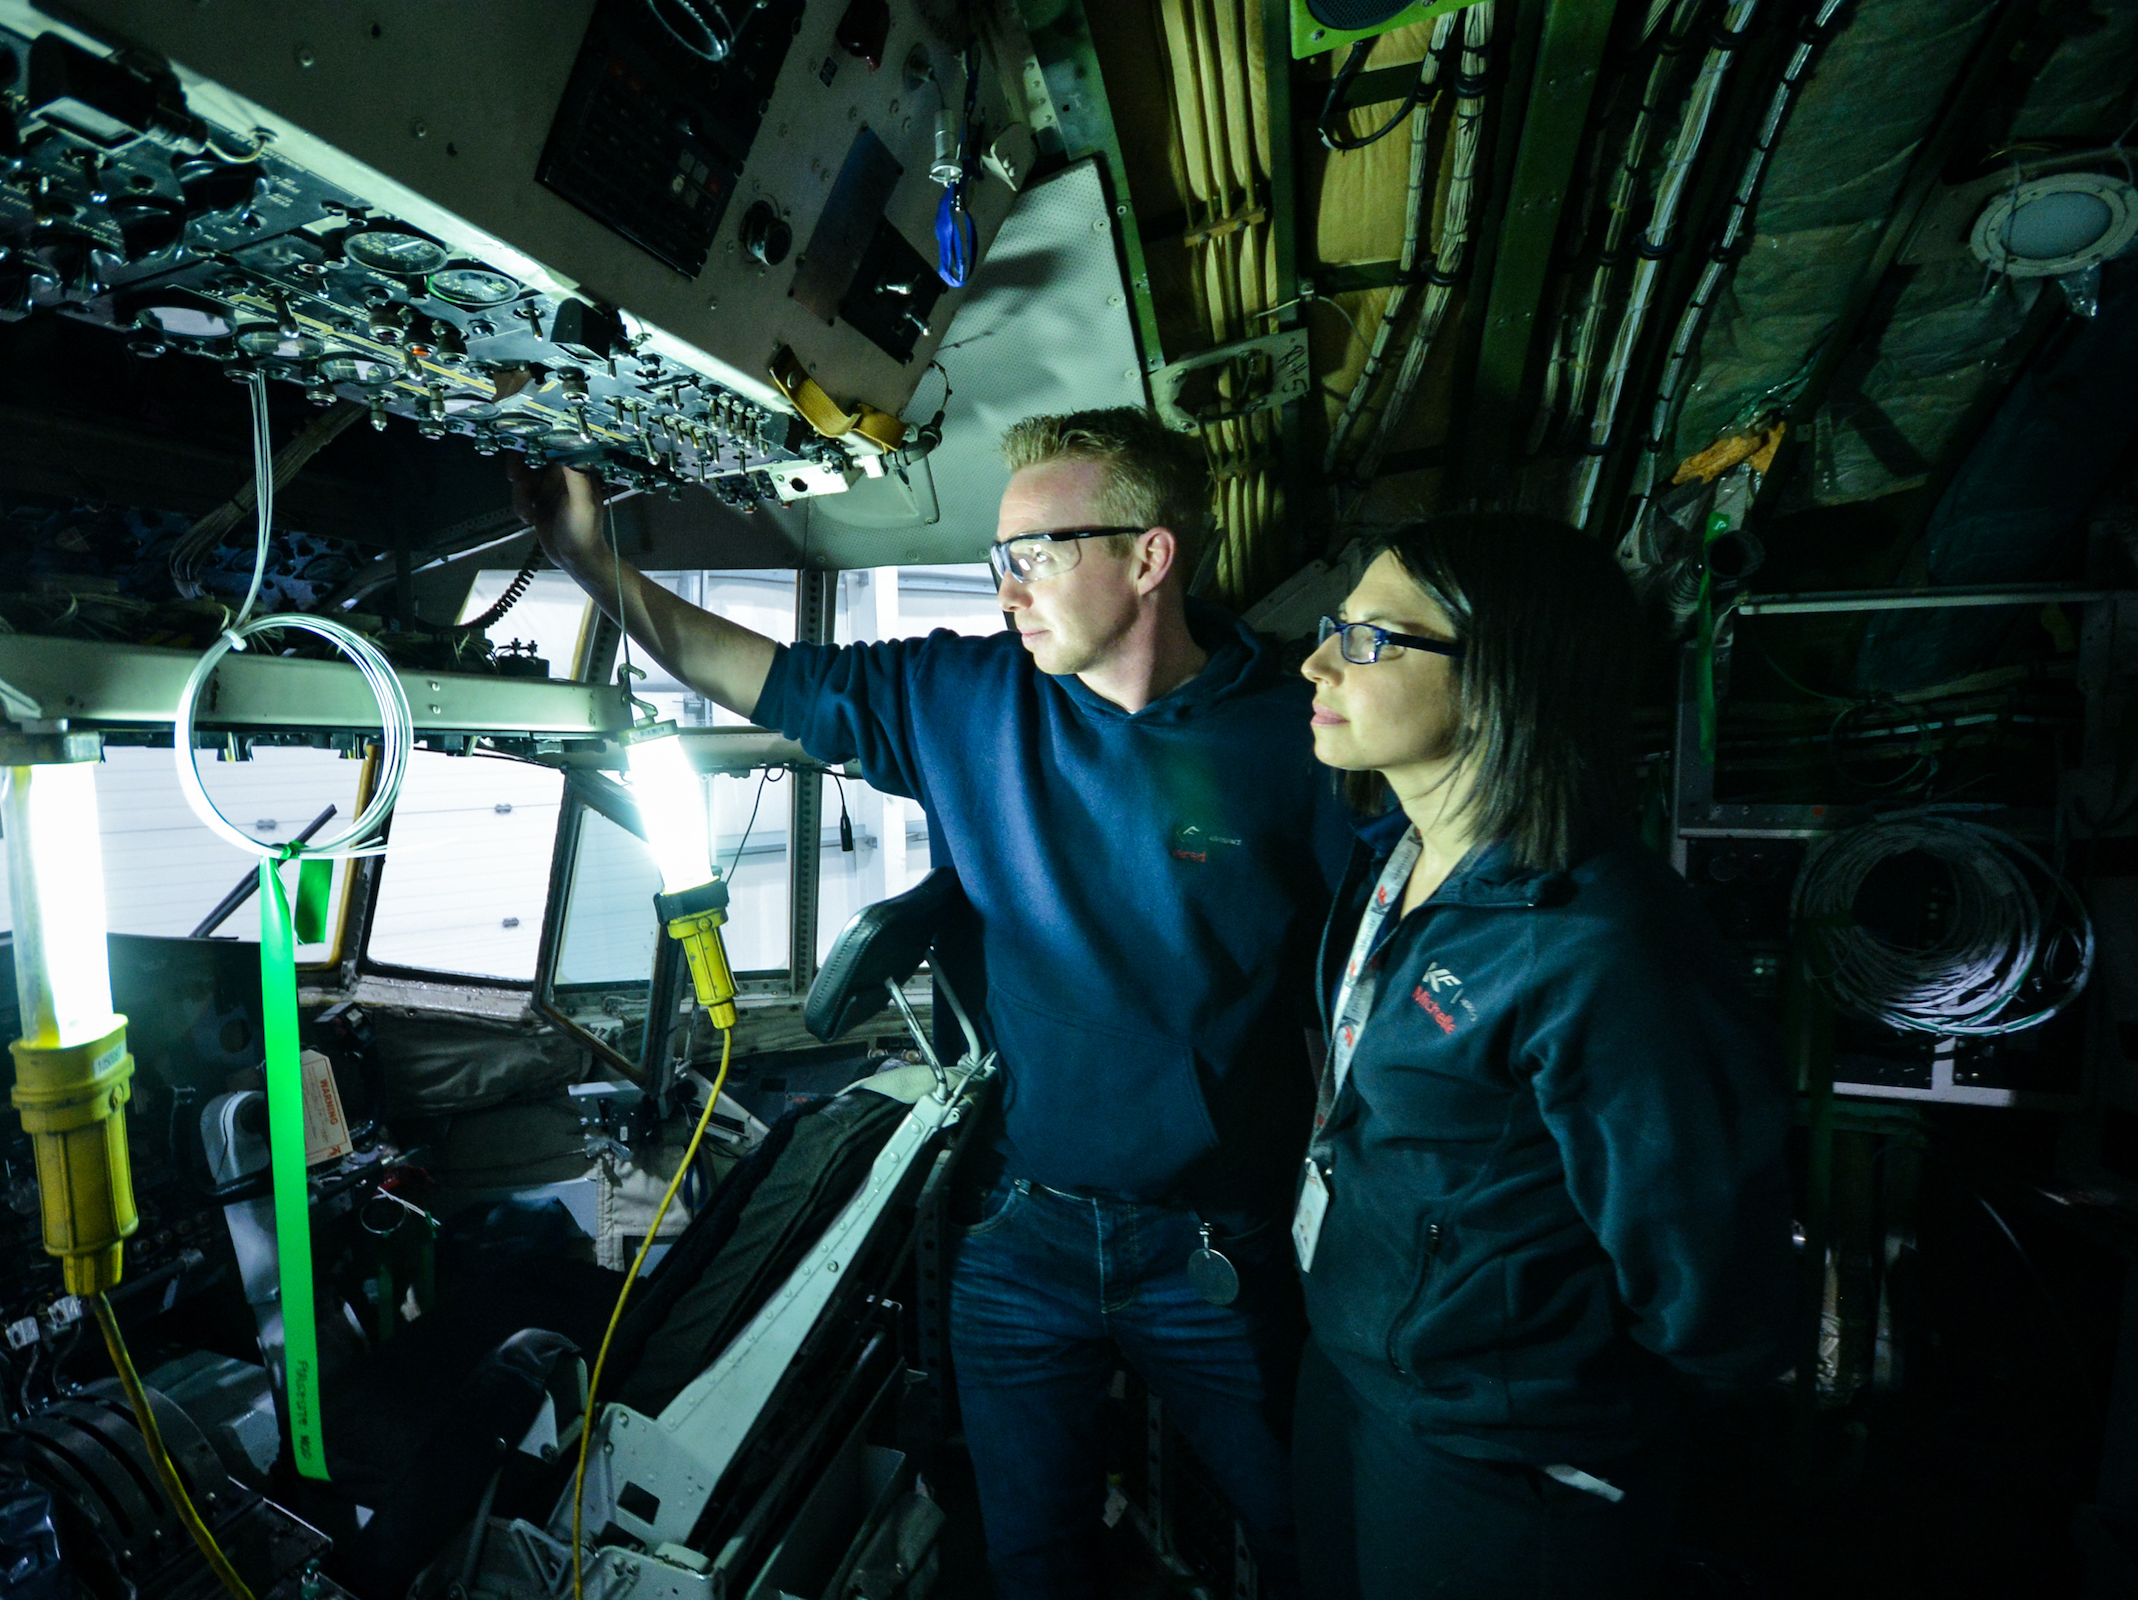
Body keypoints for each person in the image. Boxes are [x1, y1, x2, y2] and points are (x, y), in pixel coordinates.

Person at [511, 409, 1359, 1599]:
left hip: (1214, 1245)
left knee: (1315, 1546)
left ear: (1149, 556)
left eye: (1035, 554)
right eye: (995, 558)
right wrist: (596, 570)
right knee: (1027, 1563)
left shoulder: (1302, 737)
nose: (1004, 588)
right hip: (1026, 1235)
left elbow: (1378, 966)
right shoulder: (963, 697)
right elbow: (741, 667)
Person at [1289, 515, 1794, 1600]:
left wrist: (1573, 1412)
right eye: (1336, 627)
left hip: (1503, 1450)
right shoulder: (1399, 866)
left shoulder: (1601, 943)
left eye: (1372, 639)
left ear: (1501, 674)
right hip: (1359, 1376)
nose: (1318, 660)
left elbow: (1706, 1269)